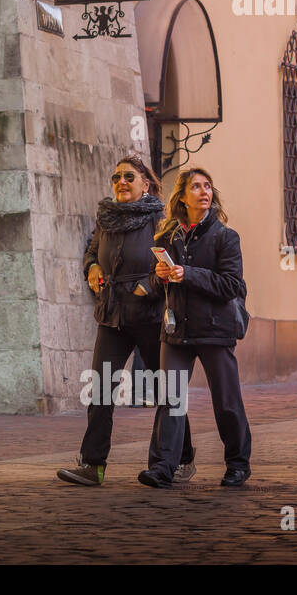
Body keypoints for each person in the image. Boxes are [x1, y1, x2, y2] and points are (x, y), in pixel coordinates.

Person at [58, 155, 195, 487]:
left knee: (166, 389)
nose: (121, 182)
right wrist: (92, 269)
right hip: (112, 316)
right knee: (102, 390)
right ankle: (92, 465)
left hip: (149, 315)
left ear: (145, 185)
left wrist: (147, 285)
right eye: (116, 176)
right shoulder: (106, 218)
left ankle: (181, 459)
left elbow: (171, 261)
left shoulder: (159, 219)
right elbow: (92, 252)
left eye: (129, 177)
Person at [138, 166, 253, 489]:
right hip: (176, 330)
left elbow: (231, 285)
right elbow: (154, 285)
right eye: (196, 187)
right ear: (183, 197)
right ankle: (163, 467)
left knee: (226, 400)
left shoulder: (225, 238)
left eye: (208, 187)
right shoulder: (165, 237)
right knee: (171, 399)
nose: (204, 192)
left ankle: (237, 464)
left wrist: (188, 273)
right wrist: (159, 277)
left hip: (215, 330)